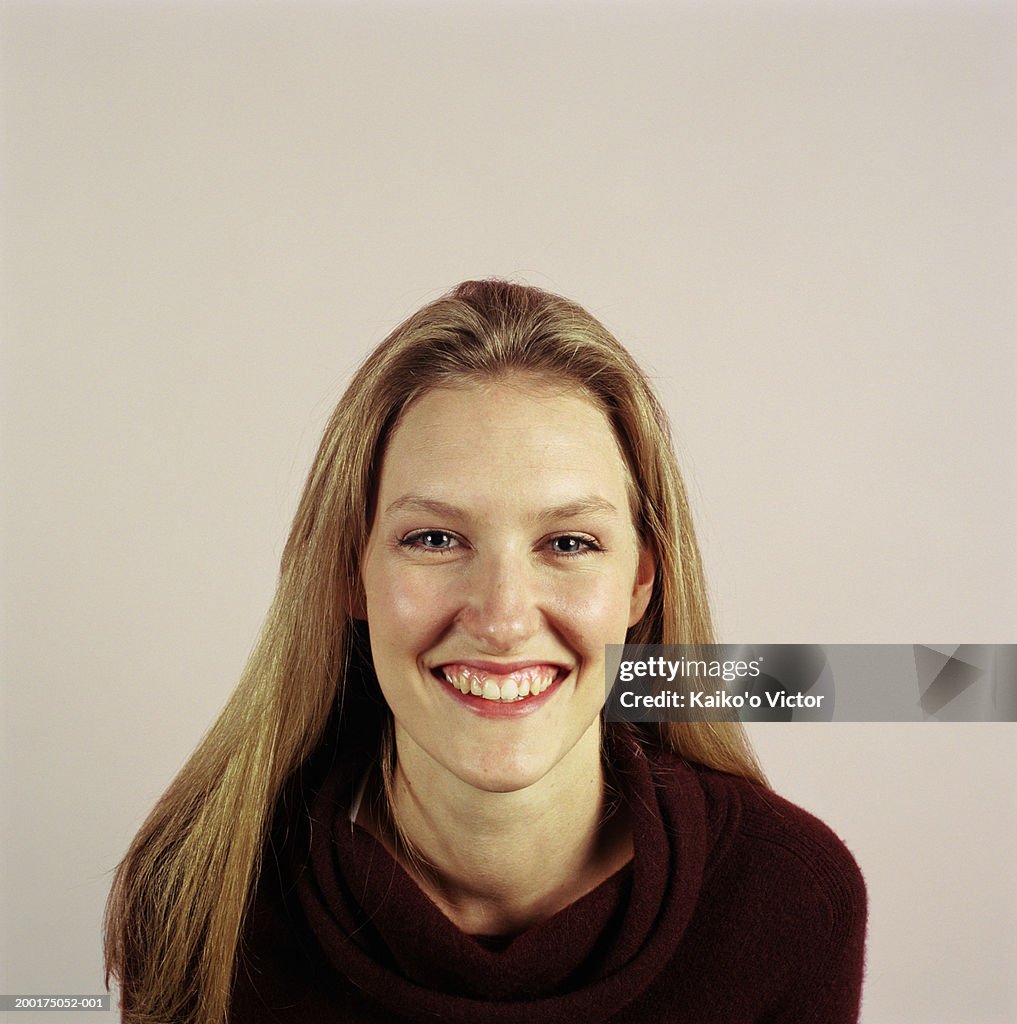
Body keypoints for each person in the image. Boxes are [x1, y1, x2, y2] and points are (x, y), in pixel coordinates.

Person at [105, 280, 866, 1023]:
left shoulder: (788, 893)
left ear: (638, 583)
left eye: (568, 542)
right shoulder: (201, 893)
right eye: (434, 538)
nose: (502, 620)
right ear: (349, 571)